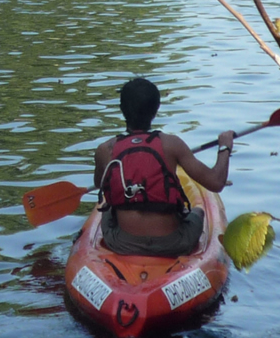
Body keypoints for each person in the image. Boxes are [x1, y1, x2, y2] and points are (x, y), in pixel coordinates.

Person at [94, 77, 233, 258]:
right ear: (156, 110)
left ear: (122, 110)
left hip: (123, 243)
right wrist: (224, 147)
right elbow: (216, 183)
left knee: (106, 209)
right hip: (173, 244)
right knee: (198, 211)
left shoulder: (105, 150)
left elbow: (99, 185)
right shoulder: (172, 144)